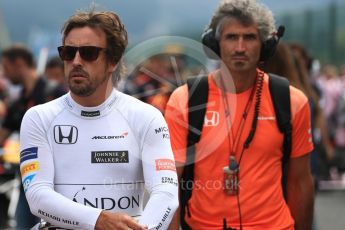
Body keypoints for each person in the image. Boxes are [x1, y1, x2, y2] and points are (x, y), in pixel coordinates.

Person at [19, 9, 178, 230]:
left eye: (89, 53)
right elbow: (37, 197)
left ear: (112, 61)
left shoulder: (146, 117)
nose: (76, 61)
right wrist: (99, 220)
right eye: (68, 52)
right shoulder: (39, 117)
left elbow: (166, 193)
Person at [165, 0, 314, 229]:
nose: (240, 47)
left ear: (266, 45)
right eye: (231, 37)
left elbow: (300, 182)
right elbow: (169, 182)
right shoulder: (184, 100)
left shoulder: (292, 101)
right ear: (215, 44)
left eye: (250, 37)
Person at [0, 44, 66, 229]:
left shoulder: (54, 93)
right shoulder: (20, 100)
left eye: (6, 67)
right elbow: (3, 133)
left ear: (19, 63)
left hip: (56, 183)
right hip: (27, 179)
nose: (4, 74)